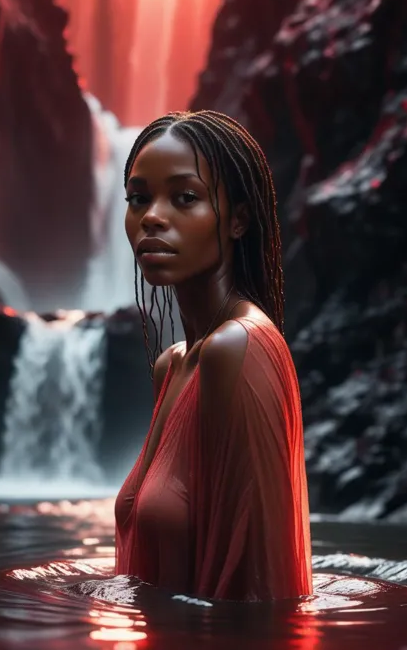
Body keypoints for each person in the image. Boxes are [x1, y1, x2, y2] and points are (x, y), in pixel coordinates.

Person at [114, 110, 312, 602]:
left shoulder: (238, 348)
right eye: (139, 198)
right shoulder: (175, 363)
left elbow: (264, 592)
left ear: (239, 220)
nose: (152, 217)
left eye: (185, 197)